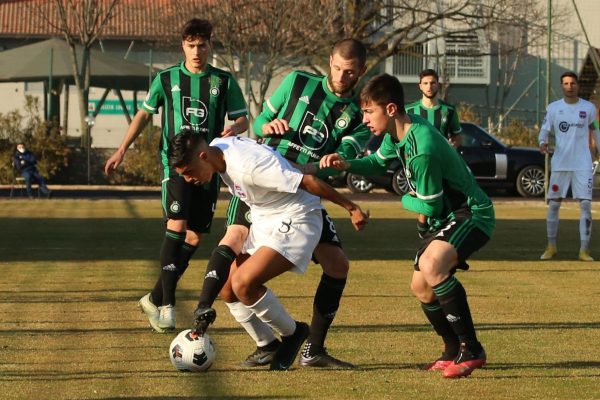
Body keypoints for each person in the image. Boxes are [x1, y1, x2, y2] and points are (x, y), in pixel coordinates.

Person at [192, 38, 372, 369]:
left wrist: (322, 164)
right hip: (258, 183)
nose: (341, 77)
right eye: (336, 68)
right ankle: (266, 344)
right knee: (232, 280)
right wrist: (268, 126)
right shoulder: (297, 81)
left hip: (301, 193)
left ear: (361, 70)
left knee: (337, 265)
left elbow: (342, 158)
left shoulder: (360, 112)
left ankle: (312, 349)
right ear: (329, 60)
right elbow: (259, 124)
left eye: (349, 72)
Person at [320, 73, 495, 379]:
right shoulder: (396, 133)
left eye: (368, 112)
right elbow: (377, 162)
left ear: (389, 110)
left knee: (432, 265)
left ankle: (472, 348)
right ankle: (452, 349)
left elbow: (429, 205)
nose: (364, 119)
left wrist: (403, 199)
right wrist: (347, 163)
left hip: (472, 213)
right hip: (448, 215)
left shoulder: (422, 147)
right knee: (421, 287)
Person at [169, 130, 369, 370]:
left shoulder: (250, 167)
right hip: (265, 214)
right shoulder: (217, 148)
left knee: (244, 283)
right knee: (227, 287)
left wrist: (351, 207)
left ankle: (294, 333)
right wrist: (204, 304)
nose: (189, 180)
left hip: (298, 215)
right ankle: (267, 345)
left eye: (189, 173)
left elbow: (307, 182)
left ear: (203, 156)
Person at [104, 18, 248, 332]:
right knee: (178, 225)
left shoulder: (223, 81)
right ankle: (169, 305)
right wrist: (121, 149)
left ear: (210, 45)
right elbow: (144, 114)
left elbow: (243, 118)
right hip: (177, 168)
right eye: (191, 45)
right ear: (182, 45)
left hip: (207, 169)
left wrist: (235, 127)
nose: (196, 51)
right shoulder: (166, 79)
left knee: (195, 236)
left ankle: (154, 297)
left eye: (202, 45)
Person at [539, 71, 600, 261]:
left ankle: (584, 250)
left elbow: (596, 130)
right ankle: (551, 246)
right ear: (562, 86)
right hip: (560, 163)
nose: (569, 86)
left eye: (572, 83)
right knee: (554, 204)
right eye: (565, 83)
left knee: (585, 205)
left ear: (578, 85)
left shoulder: (589, 108)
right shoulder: (553, 108)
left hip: (582, 163)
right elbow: (544, 129)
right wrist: (542, 141)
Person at [405, 69, 462, 148]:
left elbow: (457, 136)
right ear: (420, 86)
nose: (429, 86)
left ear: (438, 85)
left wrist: (451, 149)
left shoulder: (449, 110)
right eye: (425, 83)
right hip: (418, 159)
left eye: (432, 83)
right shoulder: (408, 111)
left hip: (441, 158)